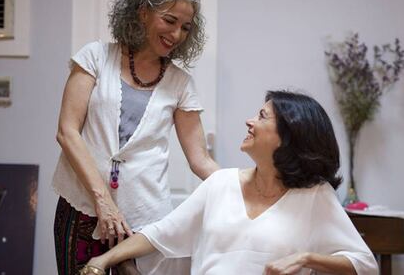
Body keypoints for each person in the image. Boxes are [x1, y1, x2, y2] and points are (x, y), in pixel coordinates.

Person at [80, 90, 379, 275]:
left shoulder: (315, 195)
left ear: (288, 137)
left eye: (262, 116)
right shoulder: (220, 183)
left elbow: (365, 265)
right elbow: (161, 234)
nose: (249, 121)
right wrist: (104, 260)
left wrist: (306, 258)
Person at [52, 0, 219, 275]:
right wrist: (103, 202)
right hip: (83, 209)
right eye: (169, 20)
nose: (177, 34)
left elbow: (200, 160)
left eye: (185, 27)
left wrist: (249, 187)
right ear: (143, 12)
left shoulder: (181, 83)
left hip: (144, 222)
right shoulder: (95, 57)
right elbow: (67, 132)